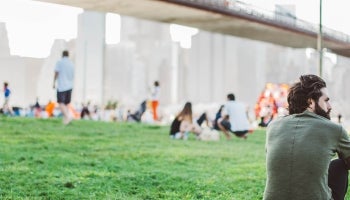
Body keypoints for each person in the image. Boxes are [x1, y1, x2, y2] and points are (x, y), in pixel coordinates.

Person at [264, 74, 350, 200]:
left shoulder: (273, 126)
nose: (330, 106)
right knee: (338, 165)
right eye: (326, 100)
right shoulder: (334, 129)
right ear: (310, 102)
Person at [53, 50, 74, 125]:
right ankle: (66, 121)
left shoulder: (60, 62)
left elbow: (56, 73)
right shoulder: (71, 63)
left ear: (62, 55)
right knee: (66, 103)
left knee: (60, 103)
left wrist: (54, 82)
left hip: (62, 86)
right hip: (70, 86)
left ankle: (68, 116)